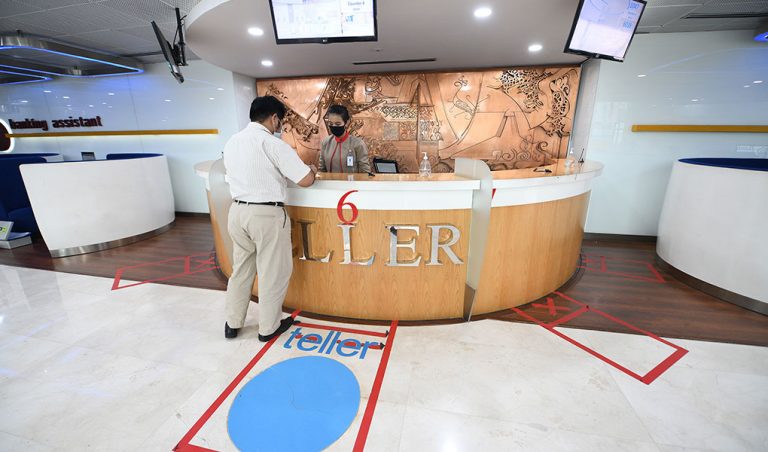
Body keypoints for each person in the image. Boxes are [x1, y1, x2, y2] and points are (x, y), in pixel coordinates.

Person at [222, 95, 317, 341]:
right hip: (265, 215)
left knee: (241, 269)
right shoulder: (273, 144)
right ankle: (268, 328)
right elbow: (306, 180)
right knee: (272, 272)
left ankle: (232, 322)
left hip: (237, 212)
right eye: (281, 121)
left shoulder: (233, 141)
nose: (281, 126)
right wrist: (313, 171)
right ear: (274, 118)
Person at [318, 104, 371, 174]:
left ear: (346, 123)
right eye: (330, 124)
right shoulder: (326, 142)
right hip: (330, 181)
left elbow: (365, 172)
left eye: (337, 124)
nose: (333, 126)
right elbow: (321, 170)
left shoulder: (358, 144)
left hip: (352, 181)